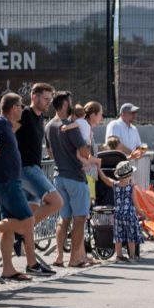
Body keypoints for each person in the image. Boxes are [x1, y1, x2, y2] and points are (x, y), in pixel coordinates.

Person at [0, 92, 54, 280]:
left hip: (9, 180)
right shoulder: (1, 122)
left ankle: (8, 269)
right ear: (13, 108)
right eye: (20, 105)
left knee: (10, 225)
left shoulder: (7, 126)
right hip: (7, 181)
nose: (23, 108)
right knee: (27, 219)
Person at [45, 91, 93, 268]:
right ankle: (74, 259)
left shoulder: (49, 125)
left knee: (63, 218)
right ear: (65, 104)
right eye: (70, 102)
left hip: (59, 177)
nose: (72, 104)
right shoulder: (70, 126)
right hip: (75, 177)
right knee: (79, 218)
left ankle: (59, 257)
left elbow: (50, 152)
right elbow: (85, 152)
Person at [15, 82, 63, 256]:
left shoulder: (40, 117)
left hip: (35, 167)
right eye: (45, 99)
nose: (48, 103)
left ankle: (31, 260)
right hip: (25, 169)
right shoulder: (24, 114)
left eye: (50, 99)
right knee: (56, 202)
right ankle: (18, 230)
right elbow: (7, 132)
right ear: (34, 97)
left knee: (31, 214)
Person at [97, 160, 146, 262]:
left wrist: (98, 168)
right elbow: (136, 203)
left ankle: (119, 256)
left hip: (118, 213)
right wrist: (142, 213)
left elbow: (104, 178)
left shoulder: (115, 185)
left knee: (118, 236)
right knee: (131, 236)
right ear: (129, 175)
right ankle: (132, 256)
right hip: (129, 214)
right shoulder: (131, 187)